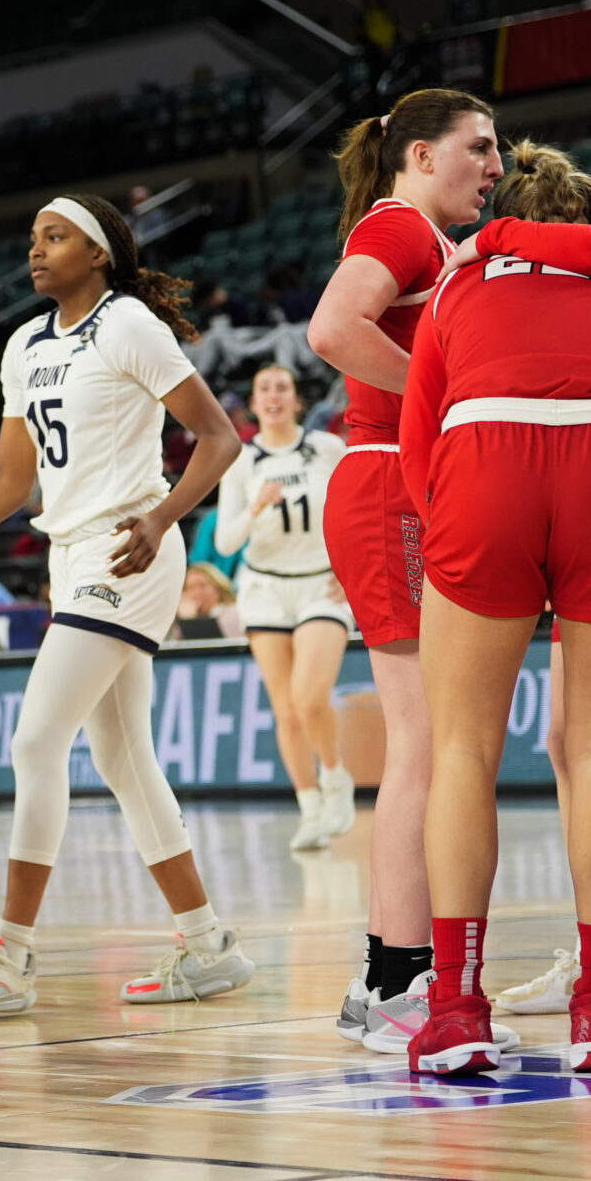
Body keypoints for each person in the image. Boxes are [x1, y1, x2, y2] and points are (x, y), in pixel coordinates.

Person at [0, 193, 246, 1014]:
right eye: (32, 236)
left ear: (99, 253)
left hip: (128, 546)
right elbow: (9, 482)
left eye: (56, 236)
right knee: (122, 760)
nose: (36, 249)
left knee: (37, 742)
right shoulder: (24, 344)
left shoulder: (131, 325)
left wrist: (164, 515)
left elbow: (218, 437)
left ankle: (11, 955)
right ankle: (209, 945)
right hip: (72, 557)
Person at [396, 142, 591, 1075]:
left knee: (462, 750)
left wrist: (458, 532)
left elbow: (415, 444)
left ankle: (456, 1008)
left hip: (486, 458)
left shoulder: (456, 283)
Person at [305, 87, 503, 1040]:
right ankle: (398, 980)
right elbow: (333, 330)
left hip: (389, 484)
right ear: (420, 156)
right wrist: (442, 393)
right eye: (480, 146)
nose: (496, 166)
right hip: (388, 482)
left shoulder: (413, 233)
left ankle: (384, 976)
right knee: (426, 743)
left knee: (424, 741)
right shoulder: (403, 229)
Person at [213, 364, 354, 854]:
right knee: (287, 709)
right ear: (253, 403)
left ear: (297, 400)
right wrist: (254, 508)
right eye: (264, 388)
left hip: (322, 583)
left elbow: (355, 509)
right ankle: (309, 805)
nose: (273, 396)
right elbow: (224, 541)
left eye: (282, 388)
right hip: (264, 587)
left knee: (310, 696)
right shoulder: (241, 461)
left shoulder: (327, 448)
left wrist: (352, 566)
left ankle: (336, 778)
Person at [171, 563, 245, 640]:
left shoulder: (232, 612)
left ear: (218, 589)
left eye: (202, 585)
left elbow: (215, 646)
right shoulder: (185, 615)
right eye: (191, 588)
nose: (197, 592)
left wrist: (190, 621)